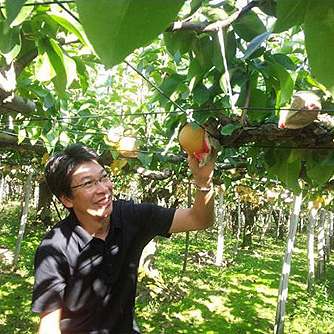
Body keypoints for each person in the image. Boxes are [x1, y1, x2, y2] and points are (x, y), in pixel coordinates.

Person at [31, 144, 215, 334]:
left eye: (104, 177)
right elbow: (49, 327)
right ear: (67, 199)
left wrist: (204, 182)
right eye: (88, 183)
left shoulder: (131, 217)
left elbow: (199, 219)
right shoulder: (55, 249)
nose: (103, 189)